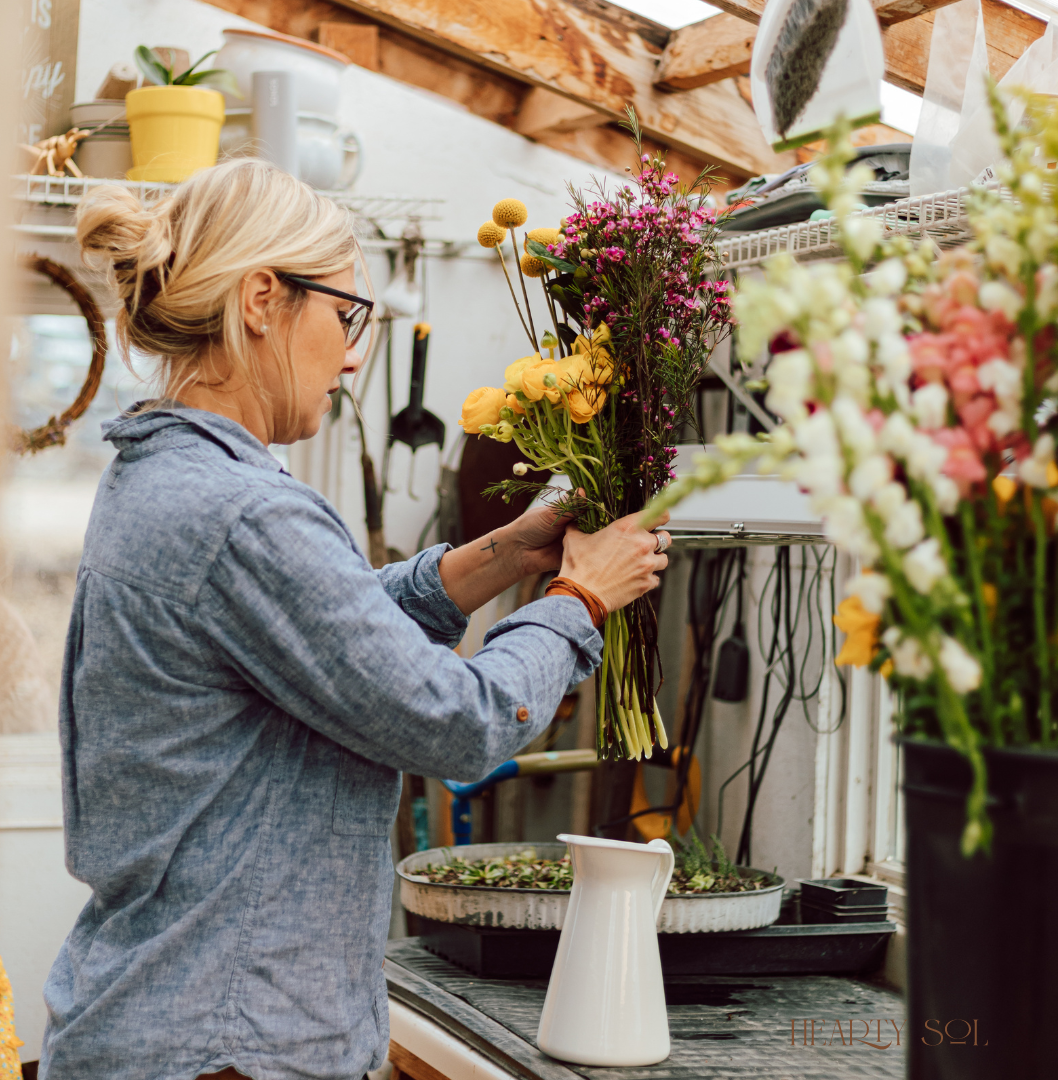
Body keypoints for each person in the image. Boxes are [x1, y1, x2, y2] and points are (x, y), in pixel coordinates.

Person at [40, 159, 670, 1080]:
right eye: (344, 315)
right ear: (262, 298)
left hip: (161, 1018)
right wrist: (581, 599)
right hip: (231, 1041)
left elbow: (324, 638)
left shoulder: (164, 477)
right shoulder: (243, 513)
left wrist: (505, 553)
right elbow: (460, 725)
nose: (355, 351)